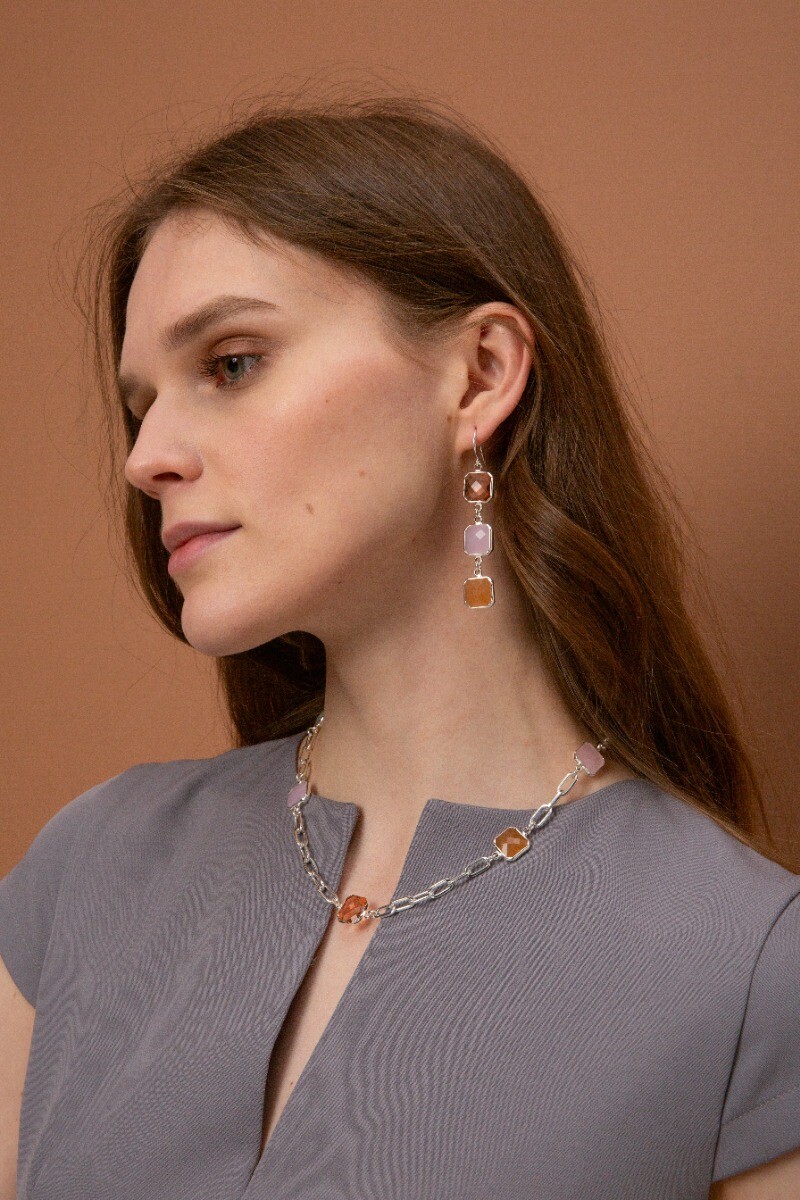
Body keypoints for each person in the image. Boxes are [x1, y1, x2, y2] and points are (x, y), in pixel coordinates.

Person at [1, 94, 798, 1200]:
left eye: (230, 363)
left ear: (479, 374)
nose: (146, 457)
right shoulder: (91, 870)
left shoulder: (746, 966)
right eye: (141, 404)